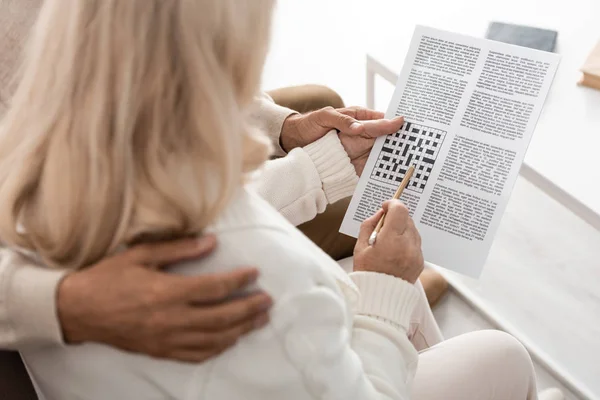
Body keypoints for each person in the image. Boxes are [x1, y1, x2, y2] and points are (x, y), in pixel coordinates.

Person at [0, 0, 566, 399]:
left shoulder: (29, 164)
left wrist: (294, 136)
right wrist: (383, 290)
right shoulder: (262, 272)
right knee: (499, 352)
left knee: (399, 292)